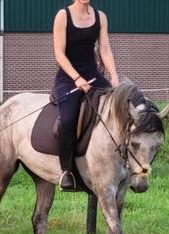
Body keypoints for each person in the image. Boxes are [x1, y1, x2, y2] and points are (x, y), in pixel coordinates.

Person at [53, 0, 119, 191]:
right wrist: (77, 78)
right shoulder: (62, 16)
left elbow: (104, 48)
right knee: (67, 120)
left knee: (120, 105)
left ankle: (122, 161)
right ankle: (66, 171)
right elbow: (59, 54)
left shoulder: (101, 17)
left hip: (93, 76)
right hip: (68, 78)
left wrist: (114, 76)